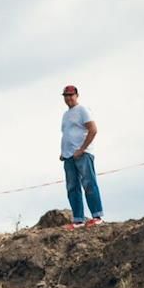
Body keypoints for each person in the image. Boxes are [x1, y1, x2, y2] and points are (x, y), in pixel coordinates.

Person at [59, 85, 104, 229]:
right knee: (72, 187)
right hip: (68, 156)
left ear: (77, 95)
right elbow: (67, 134)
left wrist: (82, 149)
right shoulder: (66, 115)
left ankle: (97, 216)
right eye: (66, 95)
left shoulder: (83, 110)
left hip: (83, 154)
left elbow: (93, 129)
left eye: (71, 95)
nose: (68, 98)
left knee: (89, 183)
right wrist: (63, 152)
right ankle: (78, 220)